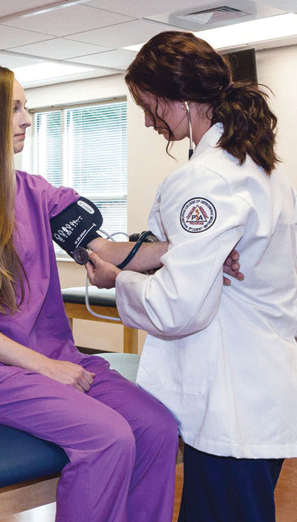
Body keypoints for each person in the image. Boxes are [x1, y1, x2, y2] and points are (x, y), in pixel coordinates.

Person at [0, 63, 181, 522]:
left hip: (53, 356)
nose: (27, 118)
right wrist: (44, 367)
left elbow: (108, 250)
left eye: (26, 107)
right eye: (15, 108)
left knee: (156, 427)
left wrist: (193, 247)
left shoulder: (37, 193)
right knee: (109, 436)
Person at [86, 31, 297, 522]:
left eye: (147, 104)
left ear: (175, 98)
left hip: (230, 400)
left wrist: (120, 281)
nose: (147, 119)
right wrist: (181, 258)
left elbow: (178, 306)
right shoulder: (261, 167)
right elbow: (188, 255)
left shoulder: (205, 178)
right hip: (257, 391)